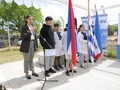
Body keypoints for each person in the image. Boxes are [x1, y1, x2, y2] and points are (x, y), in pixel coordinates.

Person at [20, 15, 39, 79]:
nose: (31, 20)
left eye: (32, 19)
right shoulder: (23, 27)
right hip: (26, 45)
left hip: (33, 43)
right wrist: (30, 31)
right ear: (26, 19)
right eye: (30, 19)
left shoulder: (33, 26)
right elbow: (23, 36)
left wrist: (36, 46)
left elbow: (35, 37)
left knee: (31, 59)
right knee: (26, 60)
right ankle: (27, 73)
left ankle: (33, 71)